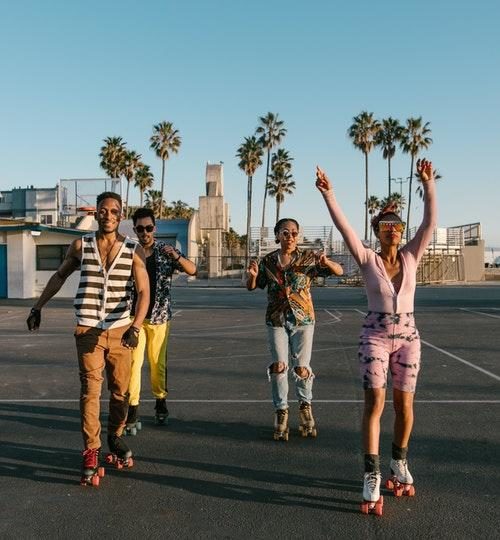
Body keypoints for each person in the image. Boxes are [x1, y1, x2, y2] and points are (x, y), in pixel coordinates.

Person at [315, 159, 437, 510]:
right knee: (375, 404)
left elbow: (430, 222)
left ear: (401, 232)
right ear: (377, 231)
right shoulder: (367, 258)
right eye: (385, 226)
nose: (392, 230)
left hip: (409, 336)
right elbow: (344, 228)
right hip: (375, 335)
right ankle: (371, 473)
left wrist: (428, 184)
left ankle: (399, 462)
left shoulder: (413, 255)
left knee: (405, 405)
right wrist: (329, 193)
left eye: (396, 226)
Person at [26, 192, 149, 485]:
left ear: (121, 215)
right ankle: (91, 451)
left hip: (121, 330)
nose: (108, 215)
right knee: (90, 391)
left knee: (120, 392)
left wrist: (136, 326)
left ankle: (115, 436)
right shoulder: (81, 245)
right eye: (103, 211)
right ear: (96, 214)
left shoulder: (133, 249)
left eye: (114, 211)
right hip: (87, 329)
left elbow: (144, 291)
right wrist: (37, 306)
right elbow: (59, 276)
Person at [246, 218, 344, 441]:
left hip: (303, 320)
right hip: (276, 319)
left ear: (298, 236)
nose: (290, 237)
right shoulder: (268, 261)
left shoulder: (308, 258)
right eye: (285, 233)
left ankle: (305, 407)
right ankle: (281, 412)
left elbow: (338, 271)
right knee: (279, 367)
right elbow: (252, 286)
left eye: (294, 233)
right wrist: (251, 277)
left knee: (301, 367)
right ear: (277, 235)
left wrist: (326, 262)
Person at [125, 207, 197, 433]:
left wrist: (175, 255)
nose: (144, 232)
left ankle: (160, 404)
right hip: (133, 319)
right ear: (135, 229)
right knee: (134, 366)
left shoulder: (165, 251)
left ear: (154, 228)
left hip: (159, 318)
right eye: (139, 228)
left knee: (158, 365)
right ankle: (132, 410)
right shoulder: (129, 252)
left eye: (148, 228)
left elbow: (192, 269)